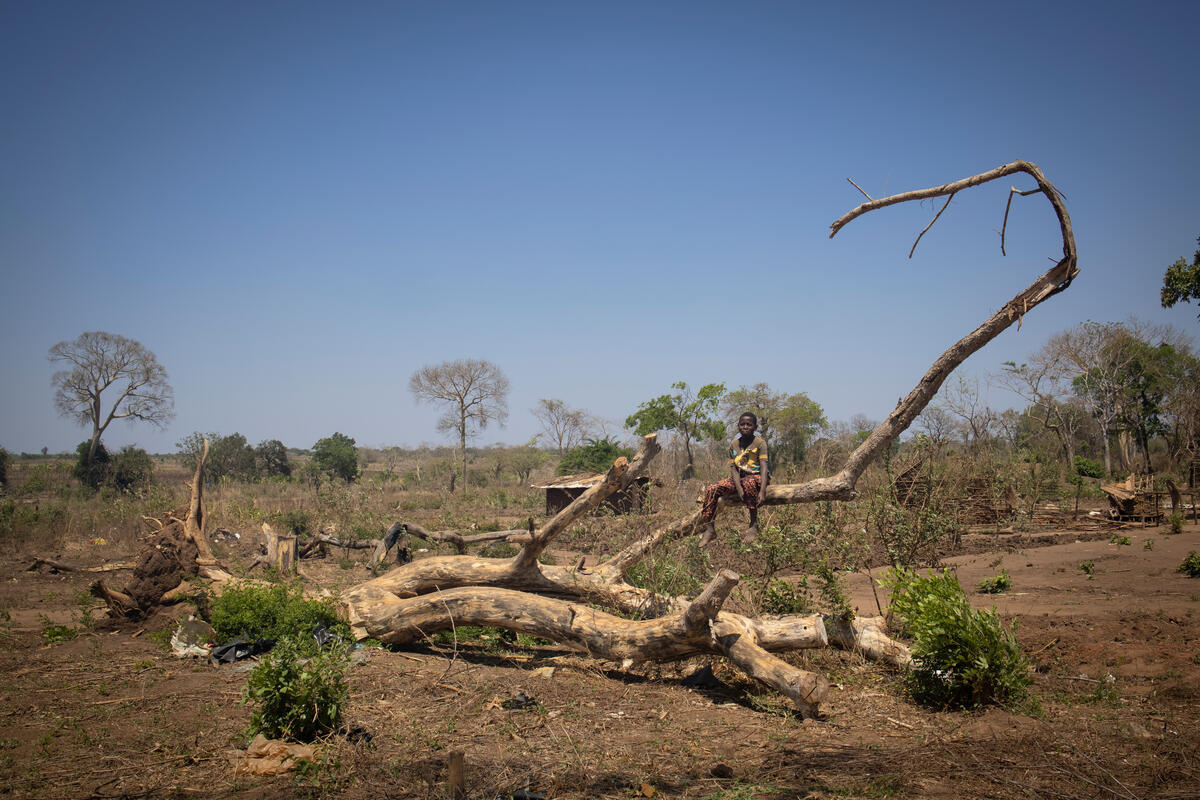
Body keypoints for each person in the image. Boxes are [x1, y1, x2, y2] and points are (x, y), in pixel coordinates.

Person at [699, 412, 769, 546]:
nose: (745, 427)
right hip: (740, 478)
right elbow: (733, 469)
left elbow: (764, 467)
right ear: (738, 426)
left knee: (749, 482)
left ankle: (753, 524)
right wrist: (738, 488)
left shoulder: (760, 443)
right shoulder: (734, 445)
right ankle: (710, 528)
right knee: (711, 488)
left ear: (754, 426)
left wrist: (762, 491)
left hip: (757, 477)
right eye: (742, 424)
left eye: (749, 424)